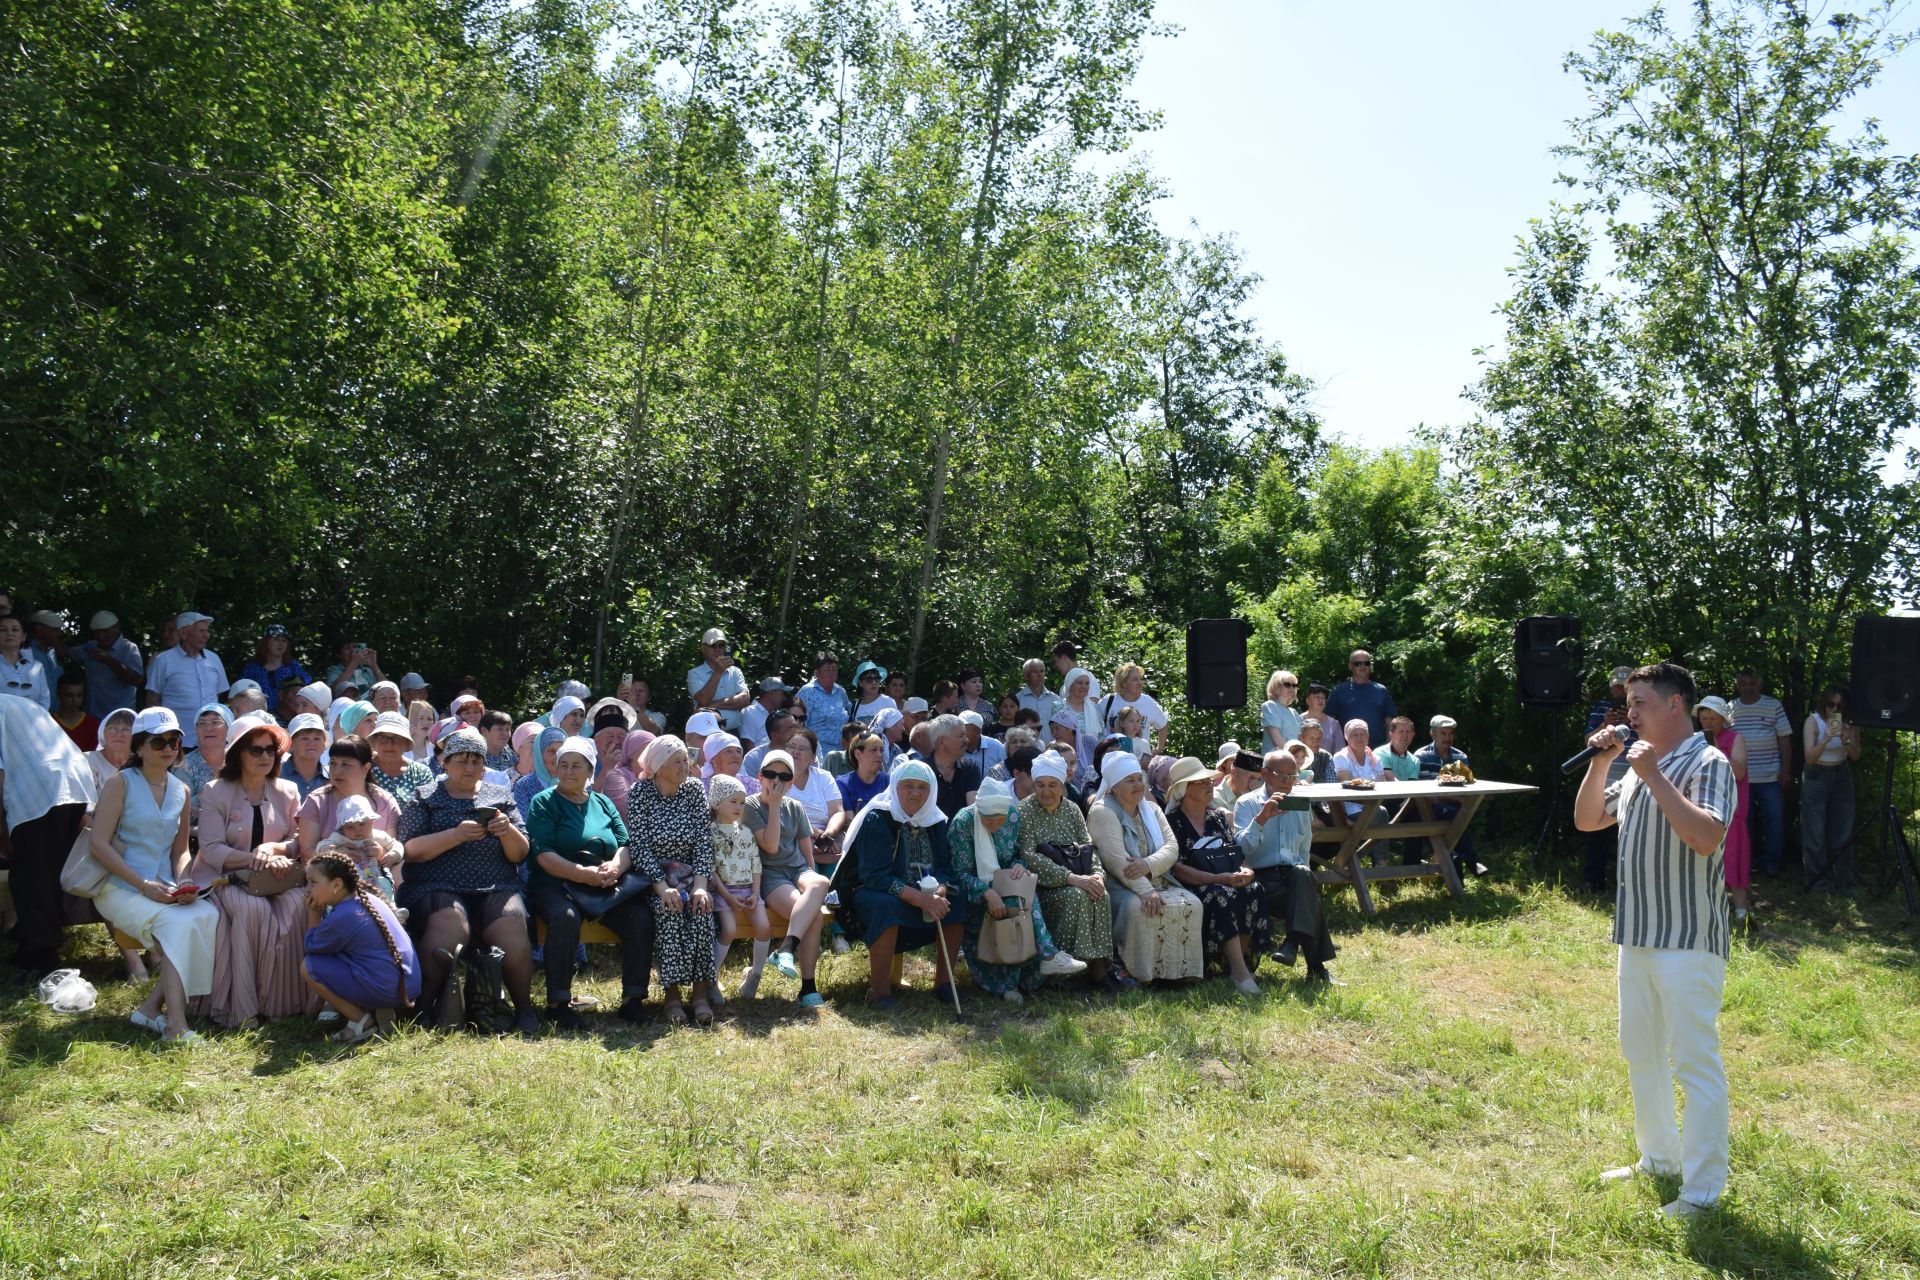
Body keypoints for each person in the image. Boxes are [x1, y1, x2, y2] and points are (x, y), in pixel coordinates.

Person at [1573, 662, 1736, 1218]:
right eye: (1628, 704)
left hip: (1687, 938)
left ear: (1674, 704)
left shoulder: (1707, 762)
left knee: (1693, 1061)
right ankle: (1659, 1159)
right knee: (1641, 1052)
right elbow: (1589, 820)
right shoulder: (1640, 764)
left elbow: (1705, 836)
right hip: (1637, 934)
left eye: (1639, 702)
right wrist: (1602, 762)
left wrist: (1653, 775)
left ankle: (1703, 1192)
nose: (1630, 713)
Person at [88, 708, 219, 1041]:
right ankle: (175, 1026)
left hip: (163, 889)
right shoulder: (120, 783)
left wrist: (185, 881)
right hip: (117, 888)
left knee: (208, 915)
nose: (169, 748)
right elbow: (98, 844)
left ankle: (149, 1010)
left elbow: (180, 851)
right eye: (158, 741)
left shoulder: (182, 790)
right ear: (139, 747)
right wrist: (143, 885)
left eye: (174, 741)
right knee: (178, 927)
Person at [396, 727, 536, 1034]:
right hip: (435, 885)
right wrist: (455, 835)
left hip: (496, 885)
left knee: (511, 925)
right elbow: (410, 850)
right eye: (461, 760)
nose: (470, 767)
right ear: (445, 763)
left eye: (476, 760)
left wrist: (506, 831)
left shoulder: (499, 796)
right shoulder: (426, 796)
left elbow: (520, 853)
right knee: (451, 925)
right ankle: (422, 1008)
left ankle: (524, 1008)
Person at [526, 735, 653, 1028]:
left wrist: (616, 867)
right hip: (555, 883)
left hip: (604, 883)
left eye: (576, 765)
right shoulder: (543, 802)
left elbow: (626, 844)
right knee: (565, 916)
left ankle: (633, 999)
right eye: (564, 765)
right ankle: (558, 1003)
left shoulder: (603, 802)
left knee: (639, 916)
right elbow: (543, 854)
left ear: (590, 771)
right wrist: (583, 874)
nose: (568, 771)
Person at [194, 714, 308, 1027]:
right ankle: (242, 1008)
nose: (265, 756)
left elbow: (299, 839)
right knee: (252, 910)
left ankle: (282, 1004)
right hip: (226, 880)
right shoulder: (215, 791)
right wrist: (254, 859)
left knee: (298, 905)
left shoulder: (287, 790)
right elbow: (212, 848)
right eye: (255, 750)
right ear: (238, 754)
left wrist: (277, 850)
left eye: (270, 749)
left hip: (277, 878)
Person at [936, 776, 1085, 1004]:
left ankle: (1040, 962)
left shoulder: (1013, 817)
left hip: (1005, 882)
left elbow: (1015, 855)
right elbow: (959, 873)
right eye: (989, 820)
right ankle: (1019, 975)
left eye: (1000, 820)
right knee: (1014, 903)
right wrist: (986, 892)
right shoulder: (963, 823)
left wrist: (1019, 866)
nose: (995, 825)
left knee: (1023, 892)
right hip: (973, 894)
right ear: (979, 812)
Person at [842, 759, 966, 1012]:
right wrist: (920, 899)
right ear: (895, 787)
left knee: (957, 901)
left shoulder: (935, 820)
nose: (915, 793)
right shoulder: (879, 817)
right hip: (874, 891)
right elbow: (874, 876)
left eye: (922, 787)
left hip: (924, 894)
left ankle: (944, 983)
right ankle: (880, 992)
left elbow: (945, 867)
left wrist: (939, 890)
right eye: (908, 786)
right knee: (885, 906)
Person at [623, 735, 720, 1027]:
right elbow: (639, 846)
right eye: (676, 761)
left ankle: (700, 994)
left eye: (684, 760)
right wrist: (662, 887)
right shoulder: (640, 792)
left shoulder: (693, 789)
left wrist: (701, 885)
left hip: (690, 874)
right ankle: (672, 996)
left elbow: (703, 841)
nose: (684, 766)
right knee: (669, 912)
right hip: (654, 878)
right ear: (658, 766)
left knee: (702, 910)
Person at [1087, 752, 1203, 985]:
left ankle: (1182, 973)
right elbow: (1116, 861)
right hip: (1118, 885)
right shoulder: (1103, 811)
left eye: (1139, 779)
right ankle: (1141, 974)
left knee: (1192, 903)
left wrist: (1148, 864)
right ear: (1114, 786)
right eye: (1130, 781)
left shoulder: (1152, 808)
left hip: (1159, 878)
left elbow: (1172, 848)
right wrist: (1146, 890)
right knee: (1140, 908)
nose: (1138, 785)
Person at [0, 696, 96, 975]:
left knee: (34, 876)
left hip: (42, 789)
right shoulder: (16, 702)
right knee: (47, 872)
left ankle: (42, 956)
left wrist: (2, 831)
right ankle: (34, 941)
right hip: (72, 779)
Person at [1168, 755, 1276, 991]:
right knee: (1220, 894)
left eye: (1209, 781)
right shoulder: (1172, 822)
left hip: (1224, 878)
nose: (1209, 785)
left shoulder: (1217, 818)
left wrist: (1245, 871)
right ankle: (1239, 973)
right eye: (1201, 782)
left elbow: (1234, 854)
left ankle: (1236, 963)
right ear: (1184, 790)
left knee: (1254, 889)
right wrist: (1218, 879)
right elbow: (1177, 868)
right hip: (1191, 884)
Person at [1015, 750, 1118, 989]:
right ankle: (1068, 975)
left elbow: (1088, 846)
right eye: (1040, 785)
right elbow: (1028, 856)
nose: (1046, 791)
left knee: (1100, 894)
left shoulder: (1072, 809)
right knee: (1076, 896)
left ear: (1062, 784)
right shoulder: (1024, 810)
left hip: (1079, 879)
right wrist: (1071, 878)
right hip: (1044, 887)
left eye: (1053, 785)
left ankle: (1098, 971)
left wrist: (1097, 875)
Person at [1229, 752, 1332, 982]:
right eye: (1281, 775)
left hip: (1294, 874)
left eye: (1292, 776)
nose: (1287, 781)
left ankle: (1291, 944)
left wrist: (1304, 874)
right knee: (1307, 898)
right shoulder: (1247, 803)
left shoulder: (1300, 804)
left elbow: (1304, 846)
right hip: (1260, 876)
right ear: (1264, 774)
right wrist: (1262, 818)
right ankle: (1316, 968)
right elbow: (1243, 849)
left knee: (1303, 875)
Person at [301, 849, 420, 1043]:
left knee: (308, 966)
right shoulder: (368, 899)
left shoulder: (343, 915)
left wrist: (314, 913)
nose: (307, 889)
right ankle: (377, 1005)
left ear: (336, 884)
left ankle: (361, 1020)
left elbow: (311, 947)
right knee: (345, 954)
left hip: (389, 990)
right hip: (409, 985)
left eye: (313, 882)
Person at [745, 749, 832, 1007]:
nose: (777, 781)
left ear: (791, 782)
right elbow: (770, 847)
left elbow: (807, 853)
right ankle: (808, 988)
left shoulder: (795, 806)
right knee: (814, 916)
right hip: (771, 875)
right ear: (760, 776)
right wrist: (774, 806)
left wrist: (811, 884)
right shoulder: (750, 806)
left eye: (784, 776)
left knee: (821, 882)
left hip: (798, 871)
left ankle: (786, 948)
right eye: (771, 774)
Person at [707, 774, 771, 1000]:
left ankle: (755, 975)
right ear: (717, 803)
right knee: (729, 930)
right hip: (723, 892)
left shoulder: (746, 832)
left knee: (764, 927)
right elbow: (711, 870)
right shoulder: (710, 833)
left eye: (742, 802)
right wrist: (727, 896)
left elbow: (755, 863)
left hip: (749, 890)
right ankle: (710, 979)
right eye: (733, 801)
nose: (738, 807)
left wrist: (755, 892)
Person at [1729, 669, 1792, 877]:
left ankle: (1771, 862)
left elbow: (1784, 740)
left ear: (1760, 684)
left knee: (1774, 821)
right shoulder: (1730, 708)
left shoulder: (1773, 705)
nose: (1748, 687)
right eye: (1744, 683)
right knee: (1744, 822)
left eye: (1752, 683)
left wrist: (1786, 771)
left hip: (1770, 775)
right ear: (1738, 685)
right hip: (1741, 777)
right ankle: (1748, 860)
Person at [1693, 698, 1751, 924]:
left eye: (1713, 719)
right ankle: (1708, 907)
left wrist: (1717, 750)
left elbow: (1740, 772)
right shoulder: (1694, 739)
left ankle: (1740, 909)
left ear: (1723, 720)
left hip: (1731, 808)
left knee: (1734, 856)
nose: (1708, 723)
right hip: (1704, 805)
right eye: (1704, 718)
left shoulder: (1735, 739)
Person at [296, 737, 401, 859]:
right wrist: (334, 856)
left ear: (365, 768)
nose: (337, 771)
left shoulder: (386, 802)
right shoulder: (316, 801)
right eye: (333, 763)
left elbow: (395, 849)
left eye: (345, 764)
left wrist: (380, 853)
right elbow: (306, 851)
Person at [1800, 685, 1861, 894]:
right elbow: (1809, 758)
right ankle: (1819, 883)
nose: (1834, 709)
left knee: (1843, 831)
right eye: (1830, 704)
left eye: (1839, 706)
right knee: (1815, 832)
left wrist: (1845, 739)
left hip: (1841, 776)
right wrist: (1826, 738)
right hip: (1817, 775)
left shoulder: (1850, 723)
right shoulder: (1813, 721)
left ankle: (1844, 881)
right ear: (1823, 703)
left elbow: (1856, 755)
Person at [1415, 714, 1482, 877]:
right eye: (1443, 733)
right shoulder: (1421, 756)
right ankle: (1472, 861)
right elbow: (1426, 791)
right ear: (1432, 734)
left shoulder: (1461, 757)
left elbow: (1466, 786)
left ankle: (1459, 867)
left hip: (1453, 804)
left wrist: (1457, 798)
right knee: (1456, 814)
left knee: (1458, 814)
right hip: (1429, 806)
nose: (1448, 738)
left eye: (1450, 733)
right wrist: (1457, 798)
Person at [314, 793, 404, 902]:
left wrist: (394, 855)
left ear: (372, 821)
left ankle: (390, 909)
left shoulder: (377, 836)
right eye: (350, 827)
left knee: (382, 897)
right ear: (342, 827)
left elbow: (397, 845)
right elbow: (320, 846)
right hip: (349, 883)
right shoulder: (339, 838)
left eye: (362, 824)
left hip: (375, 881)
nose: (357, 830)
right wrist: (332, 850)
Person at [144, 613, 228, 725]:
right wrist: (163, 728)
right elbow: (152, 699)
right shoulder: (163, 660)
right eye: (201, 631)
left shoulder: (213, 659)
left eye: (207, 631)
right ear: (184, 633)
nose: (206, 636)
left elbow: (217, 694)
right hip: (177, 732)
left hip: (210, 731)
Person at [783, 729, 843, 865]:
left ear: (813, 756)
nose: (795, 752)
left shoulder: (824, 777)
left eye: (802, 749)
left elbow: (837, 812)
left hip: (826, 840)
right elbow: (782, 816)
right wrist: (814, 835)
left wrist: (828, 835)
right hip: (792, 837)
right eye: (792, 747)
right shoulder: (777, 777)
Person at [78, 611, 144, 719]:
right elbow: (66, 652)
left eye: (105, 631)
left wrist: (108, 660)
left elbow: (136, 680)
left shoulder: (129, 648)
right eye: (97, 632)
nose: (101, 636)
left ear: (116, 629)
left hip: (120, 719)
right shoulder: (91, 647)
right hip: (92, 717)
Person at [1324, 649, 1397, 747]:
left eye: (1366, 663)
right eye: (1358, 664)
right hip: (1347, 749)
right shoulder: (1339, 690)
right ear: (1350, 666)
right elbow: (1329, 720)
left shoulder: (1381, 690)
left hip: (1377, 749)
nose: (1362, 666)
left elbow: (1390, 720)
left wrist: (1389, 746)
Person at [687, 627, 750, 734]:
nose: (717, 649)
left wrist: (713, 706)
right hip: (706, 734)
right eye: (712, 645)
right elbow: (704, 701)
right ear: (703, 648)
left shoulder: (735, 671)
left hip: (733, 732)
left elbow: (745, 700)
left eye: (721, 645)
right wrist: (718, 672)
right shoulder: (694, 674)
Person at [1098, 663, 1171, 754]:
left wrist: (1159, 749)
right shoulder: (1109, 700)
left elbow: (1163, 725)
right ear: (1124, 683)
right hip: (1112, 757)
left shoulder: (1148, 702)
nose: (1140, 683)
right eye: (1135, 679)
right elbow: (1093, 723)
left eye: (1141, 679)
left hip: (1140, 759)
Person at [368, 713, 435, 809]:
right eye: (383, 737)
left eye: (396, 738)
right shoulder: (364, 770)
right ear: (375, 741)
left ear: (406, 742)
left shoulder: (421, 773)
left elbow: (429, 807)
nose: (389, 744)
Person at [1051, 668, 1101, 787]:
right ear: (1070, 684)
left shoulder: (1093, 707)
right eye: (1079, 683)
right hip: (1066, 755)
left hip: (1090, 754)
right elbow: (1057, 732)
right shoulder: (1059, 706)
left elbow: (1102, 734)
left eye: (1087, 683)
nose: (1084, 686)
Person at [926, 715, 982, 819]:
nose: (966, 740)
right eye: (961, 736)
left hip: (962, 828)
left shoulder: (970, 768)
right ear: (942, 741)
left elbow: (973, 810)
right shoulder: (922, 770)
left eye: (965, 735)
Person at [792, 651, 852, 749]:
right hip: (817, 750)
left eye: (834, 669)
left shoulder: (840, 691)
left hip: (841, 751)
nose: (831, 673)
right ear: (817, 673)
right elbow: (797, 724)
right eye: (827, 670)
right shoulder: (807, 692)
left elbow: (849, 715)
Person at [239, 625, 311, 704]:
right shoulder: (252, 669)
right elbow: (241, 693)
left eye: (284, 641)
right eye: (276, 639)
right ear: (266, 642)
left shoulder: (292, 666)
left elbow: (306, 688)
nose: (281, 644)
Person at [598, 728, 653, 817]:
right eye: (647, 750)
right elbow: (628, 808)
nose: (652, 755)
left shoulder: (656, 775)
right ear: (632, 753)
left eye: (655, 750)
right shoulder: (615, 776)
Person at [0, 615, 50, 709]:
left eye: (15, 629)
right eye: (3, 630)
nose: (9, 633)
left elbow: (44, 702)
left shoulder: (37, 666)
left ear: (24, 636)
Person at [514, 726, 564, 818]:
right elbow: (524, 821)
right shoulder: (524, 785)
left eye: (561, 751)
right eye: (551, 751)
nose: (557, 756)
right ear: (539, 754)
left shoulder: (575, 780)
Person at [281, 713, 330, 802]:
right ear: (291, 744)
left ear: (324, 745)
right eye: (304, 738)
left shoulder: (334, 776)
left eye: (317, 739)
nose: (311, 743)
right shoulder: (275, 775)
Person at [50, 671, 99, 750]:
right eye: (69, 695)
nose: (75, 700)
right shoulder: (49, 722)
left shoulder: (93, 724)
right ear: (58, 695)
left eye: (79, 695)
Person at [740, 677, 790, 748]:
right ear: (772, 693)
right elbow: (748, 747)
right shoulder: (749, 713)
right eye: (782, 694)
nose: (784, 698)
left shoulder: (777, 714)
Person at [1260, 671, 1302, 750]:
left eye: (1294, 685)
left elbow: (1299, 740)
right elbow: (1276, 740)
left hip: (1293, 756)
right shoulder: (1270, 706)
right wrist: (1291, 755)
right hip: (1276, 756)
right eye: (1287, 684)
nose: (1291, 688)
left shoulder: (1294, 712)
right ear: (1276, 686)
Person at [959, 711, 1004, 777]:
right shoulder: (953, 746)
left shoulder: (996, 747)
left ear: (978, 731)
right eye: (958, 728)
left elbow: (1007, 773)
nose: (959, 732)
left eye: (964, 729)